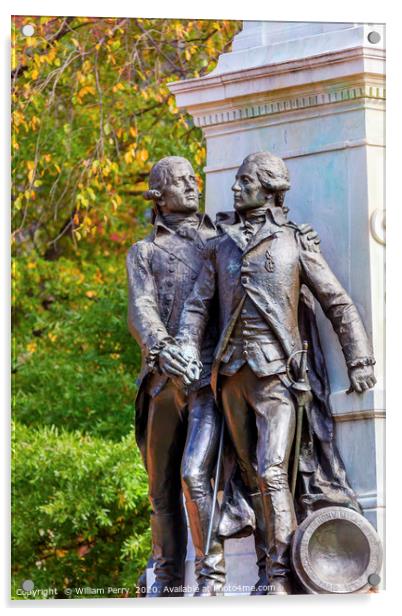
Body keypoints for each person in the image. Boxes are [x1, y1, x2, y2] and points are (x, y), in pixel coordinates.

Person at [164, 151, 376, 595]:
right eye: (237, 180)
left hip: (277, 376)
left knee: (273, 470)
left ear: (269, 189)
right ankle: (264, 566)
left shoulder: (293, 241)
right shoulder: (220, 245)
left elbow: (336, 300)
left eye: (245, 181)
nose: (236, 187)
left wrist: (359, 359)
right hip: (231, 379)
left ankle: (280, 574)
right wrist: (184, 343)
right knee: (248, 475)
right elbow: (198, 306)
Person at [126, 156, 224, 596]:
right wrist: (163, 349)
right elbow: (140, 307)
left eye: (193, 179)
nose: (191, 185)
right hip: (162, 382)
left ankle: (211, 574)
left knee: (193, 476)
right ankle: (166, 582)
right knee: (160, 489)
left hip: (207, 381)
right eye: (181, 181)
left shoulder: (218, 241)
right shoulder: (144, 252)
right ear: (159, 195)